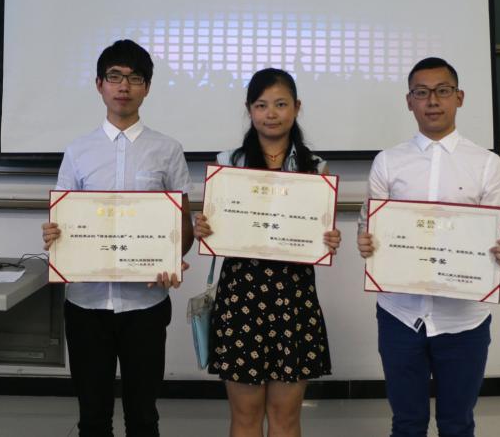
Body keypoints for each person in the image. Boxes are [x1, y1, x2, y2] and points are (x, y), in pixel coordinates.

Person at [41, 39, 193, 437]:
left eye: (134, 78)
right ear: (99, 85)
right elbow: (64, 220)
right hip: (86, 304)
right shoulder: (78, 151)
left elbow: (183, 225)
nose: (124, 86)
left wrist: (173, 256)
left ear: (147, 87)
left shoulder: (168, 150)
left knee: (143, 417)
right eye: (114, 77)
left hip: (146, 303)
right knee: (93, 419)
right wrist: (54, 234)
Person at [356, 57, 500, 437]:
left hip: (464, 319)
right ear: (408, 101)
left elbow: (497, 235)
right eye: (421, 92)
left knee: (457, 424)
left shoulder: (487, 164)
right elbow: (369, 226)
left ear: (459, 97)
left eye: (442, 91)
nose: (432, 101)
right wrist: (367, 241)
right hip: (399, 314)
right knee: (406, 423)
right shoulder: (388, 162)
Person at [194, 68, 341, 437]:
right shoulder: (229, 163)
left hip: (294, 296)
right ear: (249, 110)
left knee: (286, 417)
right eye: (261, 105)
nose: (270, 114)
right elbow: (217, 224)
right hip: (241, 295)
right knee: (245, 417)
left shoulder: (315, 168)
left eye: (280, 104)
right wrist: (205, 228)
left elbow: (318, 234)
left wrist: (329, 239)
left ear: (297, 107)